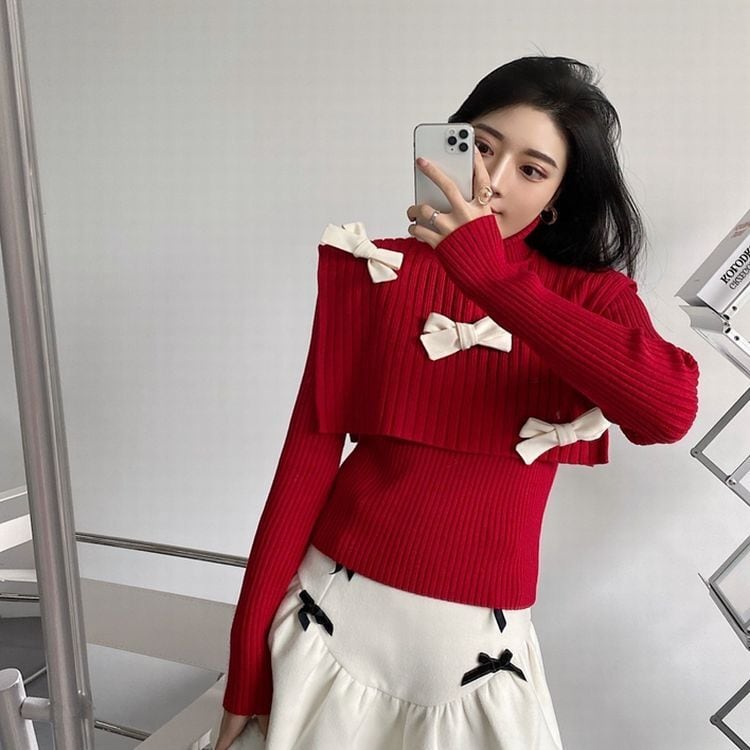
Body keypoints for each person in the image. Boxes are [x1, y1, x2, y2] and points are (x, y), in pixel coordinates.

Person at [214, 55, 700, 750]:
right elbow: (305, 462)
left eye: (531, 170)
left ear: (557, 198)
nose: (490, 181)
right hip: (327, 615)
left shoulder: (593, 298)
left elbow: (668, 414)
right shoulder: (373, 268)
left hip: (477, 654)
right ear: (447, 142)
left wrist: (494, 282)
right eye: (480, 145)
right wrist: (245, 665)